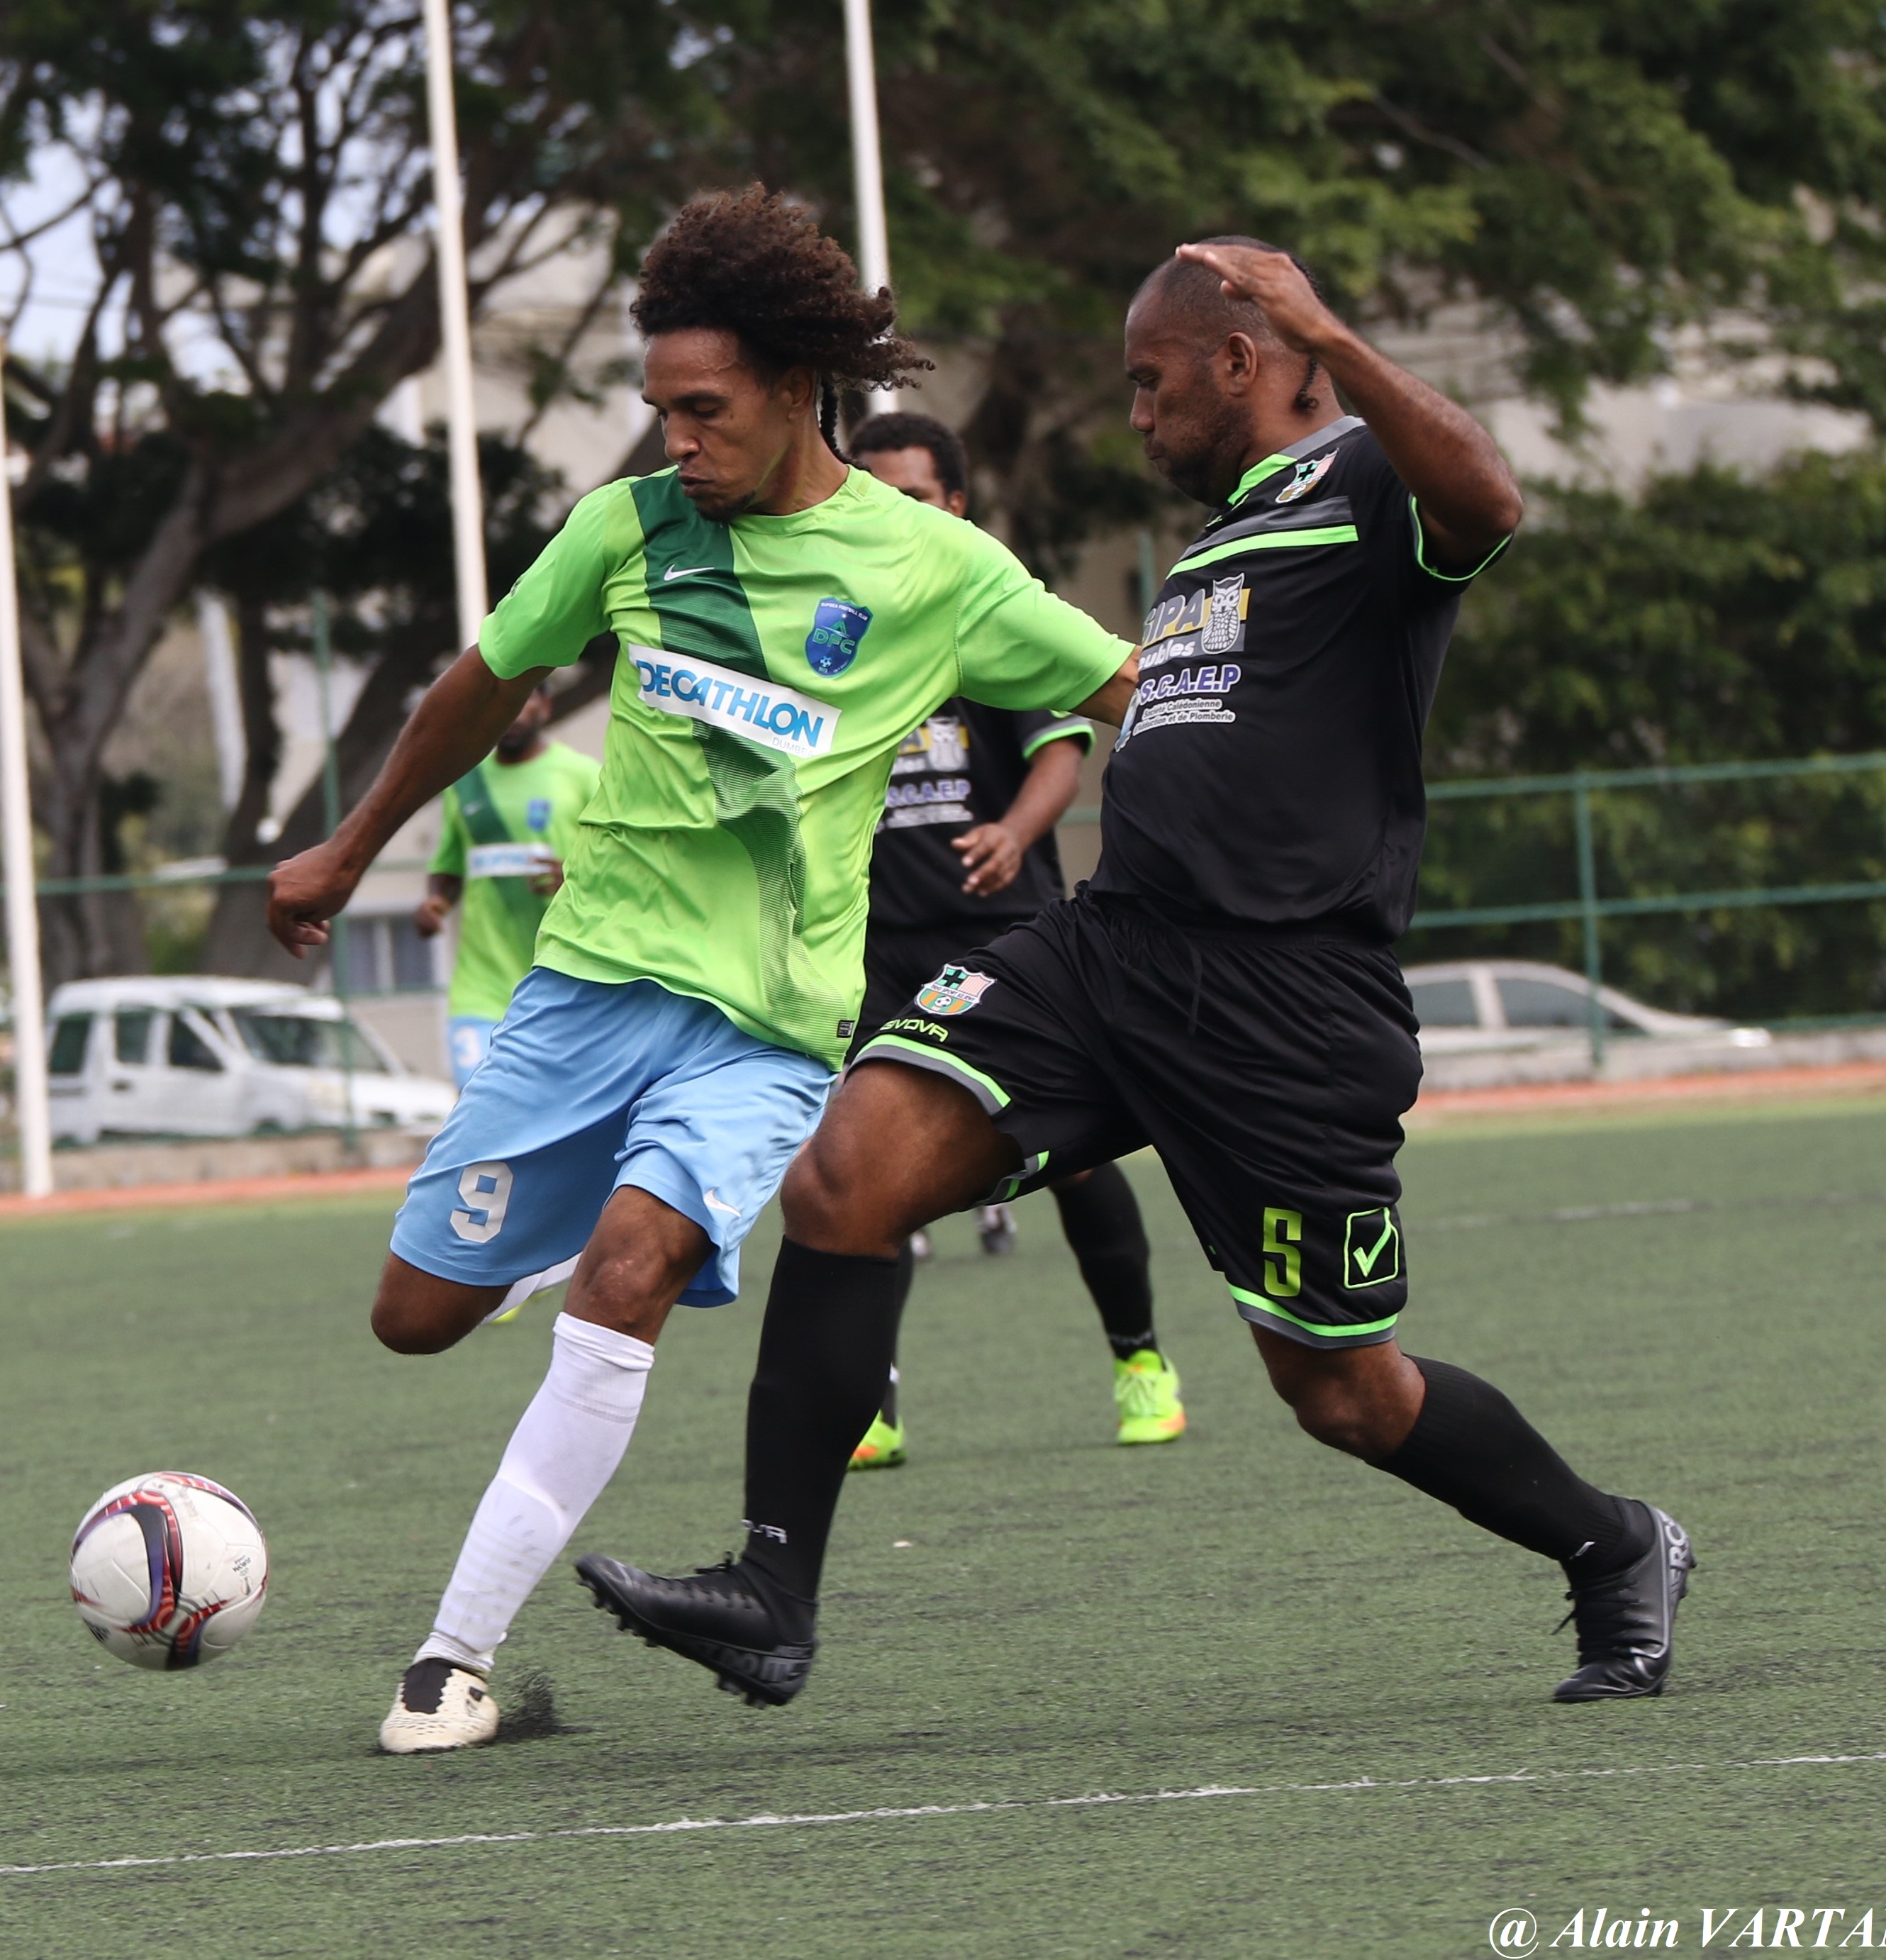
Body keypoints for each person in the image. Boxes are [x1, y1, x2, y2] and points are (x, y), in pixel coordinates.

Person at [578, 238, 1694, 1711]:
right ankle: (771, 1590)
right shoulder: (1222, 537)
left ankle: (1617, 1542)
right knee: (846, 1173)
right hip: (1106, 952)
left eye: (1152, 382)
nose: (1136, 412)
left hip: (1283, 1002)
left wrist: (1329, 335)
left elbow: (1488, 498)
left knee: (1341, 1389)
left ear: (1243, 361)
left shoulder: (1364, 480)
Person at [267, 185, 1137, 1754]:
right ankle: (558, 1246)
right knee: (413, 1316)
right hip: (585, 995)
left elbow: (1130, 683)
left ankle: (450, 1660)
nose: (673, 439)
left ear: (797, 389)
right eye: (658, 408)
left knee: (633, 1267)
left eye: (702, 409)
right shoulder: (626, 529)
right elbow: (480, 684)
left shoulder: (932, 563)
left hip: (771, 1025)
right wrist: (347, 847)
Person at [840, 411, 1176, 1466]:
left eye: (914, 495)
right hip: (873, 949)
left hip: (1005, 942)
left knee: (1068, 1161)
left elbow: (1062, 750)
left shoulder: (981, 610)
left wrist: (1015, 832)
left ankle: (1140, 1360)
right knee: (861, 1173)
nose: (892, 513)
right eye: (872, 493)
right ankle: (868, 1406)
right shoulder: (831, 628)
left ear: (955, 505)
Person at [415, 685, 601, 1086]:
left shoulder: (583, 775)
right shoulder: (466, 783)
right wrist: (436, 902)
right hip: (481, 989)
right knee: (479, 1098)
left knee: (553, 1109)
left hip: (560, 985)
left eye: (524, 699)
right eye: (499, 702)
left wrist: (577, 878)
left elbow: (617, 865)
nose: (512, 712)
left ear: (546, 706)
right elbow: (451, 864)